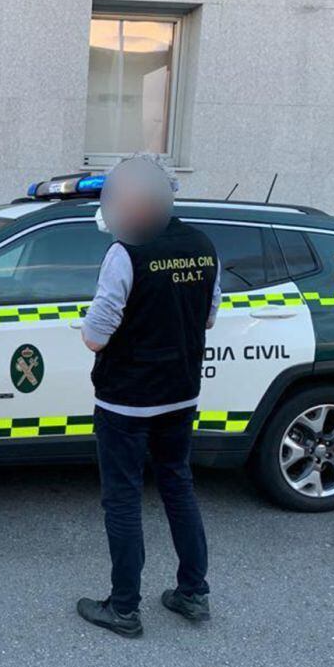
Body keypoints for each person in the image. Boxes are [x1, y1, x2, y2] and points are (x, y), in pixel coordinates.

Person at [76, 154, 221, 638]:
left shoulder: (126, 250)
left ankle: (123, 608)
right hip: (180, 394)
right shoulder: (203, 245)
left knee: (122, 500)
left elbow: (97, 334)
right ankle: (193, 592)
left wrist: (89, 329)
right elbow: (208, 317)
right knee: (178, 486)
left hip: (126, 399)